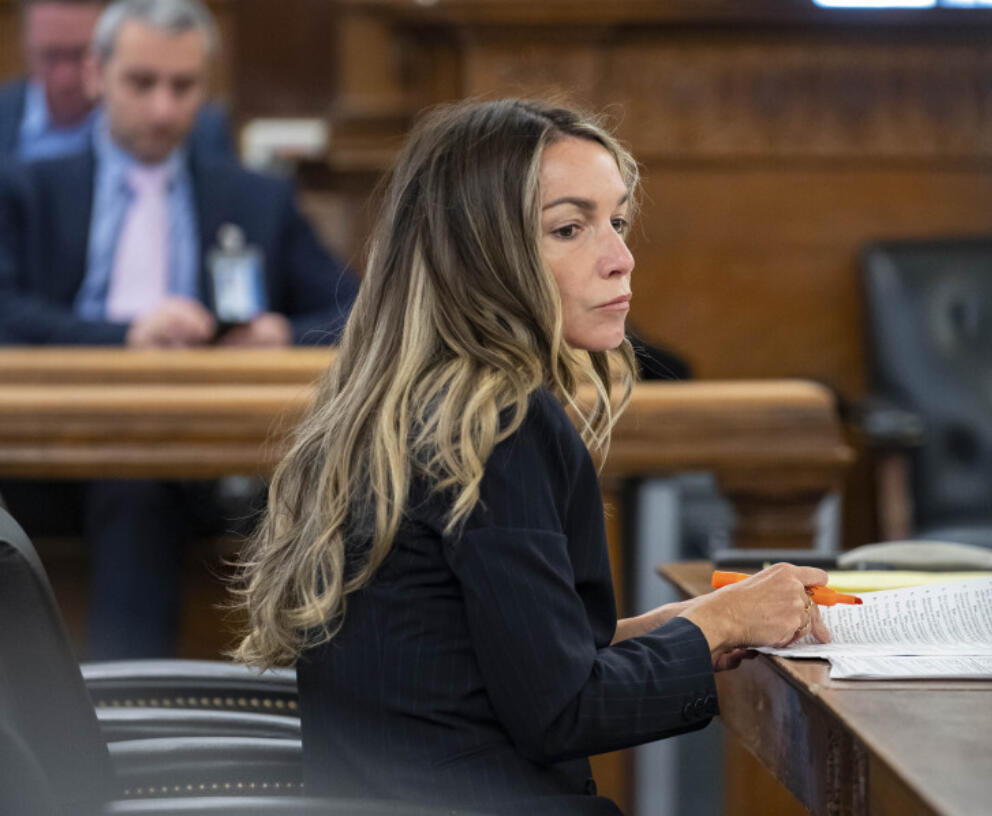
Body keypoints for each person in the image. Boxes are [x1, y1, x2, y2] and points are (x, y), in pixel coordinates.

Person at [232, 99, 830, 814]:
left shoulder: (414, 402)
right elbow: (564, 711)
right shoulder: (497, 424)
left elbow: (522, 659)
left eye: (617, 221)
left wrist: (706, 620)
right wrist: (723, 626)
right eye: (570, 229)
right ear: (483, 251)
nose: (619, 257)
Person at [0, 0, 357, 658]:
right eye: (142, 83)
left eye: (183, 86)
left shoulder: (256, 198)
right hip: (55, 449)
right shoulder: (27, 190)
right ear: (96, 74)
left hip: (214, 453)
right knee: (134, 479)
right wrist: (126, 337)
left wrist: (282, 334)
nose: (163, 108)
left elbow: (356, 312)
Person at [0, 0, 232, 164]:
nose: (66, 77)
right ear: (25, 47)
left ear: (102, 61)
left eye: (80, 54)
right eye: (50, 56)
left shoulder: (186, 129)